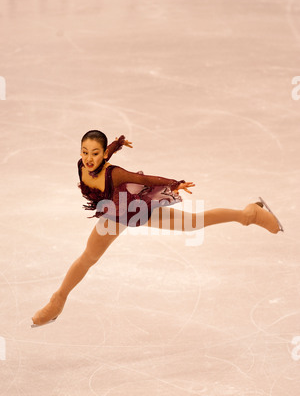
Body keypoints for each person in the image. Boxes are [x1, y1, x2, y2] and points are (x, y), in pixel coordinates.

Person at [31, 130, 283, 327]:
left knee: (192, 223)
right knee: (88, 257)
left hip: (139, 210)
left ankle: (249, 214)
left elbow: (143, 180)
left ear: (101, 156)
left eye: (95, 153)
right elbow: (105, 153)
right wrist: (117, 143)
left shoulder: (115, 174)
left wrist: (174, 184)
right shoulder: (82, 165)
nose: (89, 158)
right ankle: (57, 301)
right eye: (85, 152)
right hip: (114, 216)